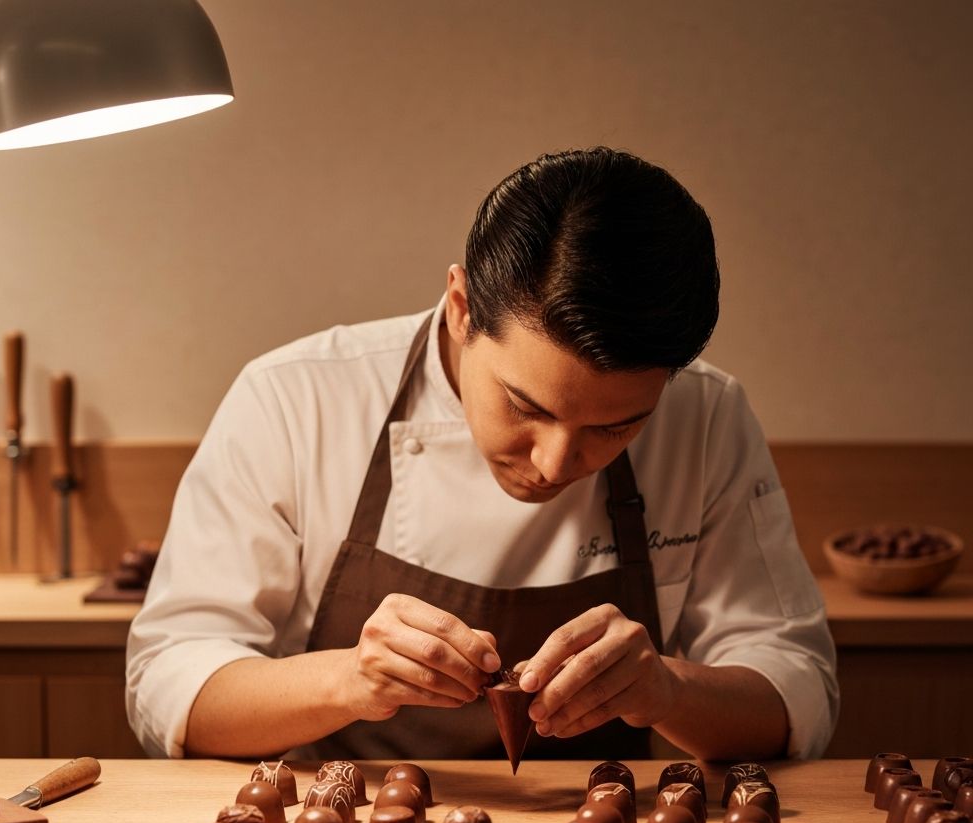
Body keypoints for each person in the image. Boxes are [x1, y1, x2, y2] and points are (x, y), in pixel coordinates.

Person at [126, 147, 838, 763]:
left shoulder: (707, 417)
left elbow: (797, 690)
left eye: (616, 428)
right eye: (527, 408)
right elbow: (168, 682)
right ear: (461, 308)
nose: (556, 464)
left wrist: (667, 691)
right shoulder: (294, 399)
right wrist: (348, 680)